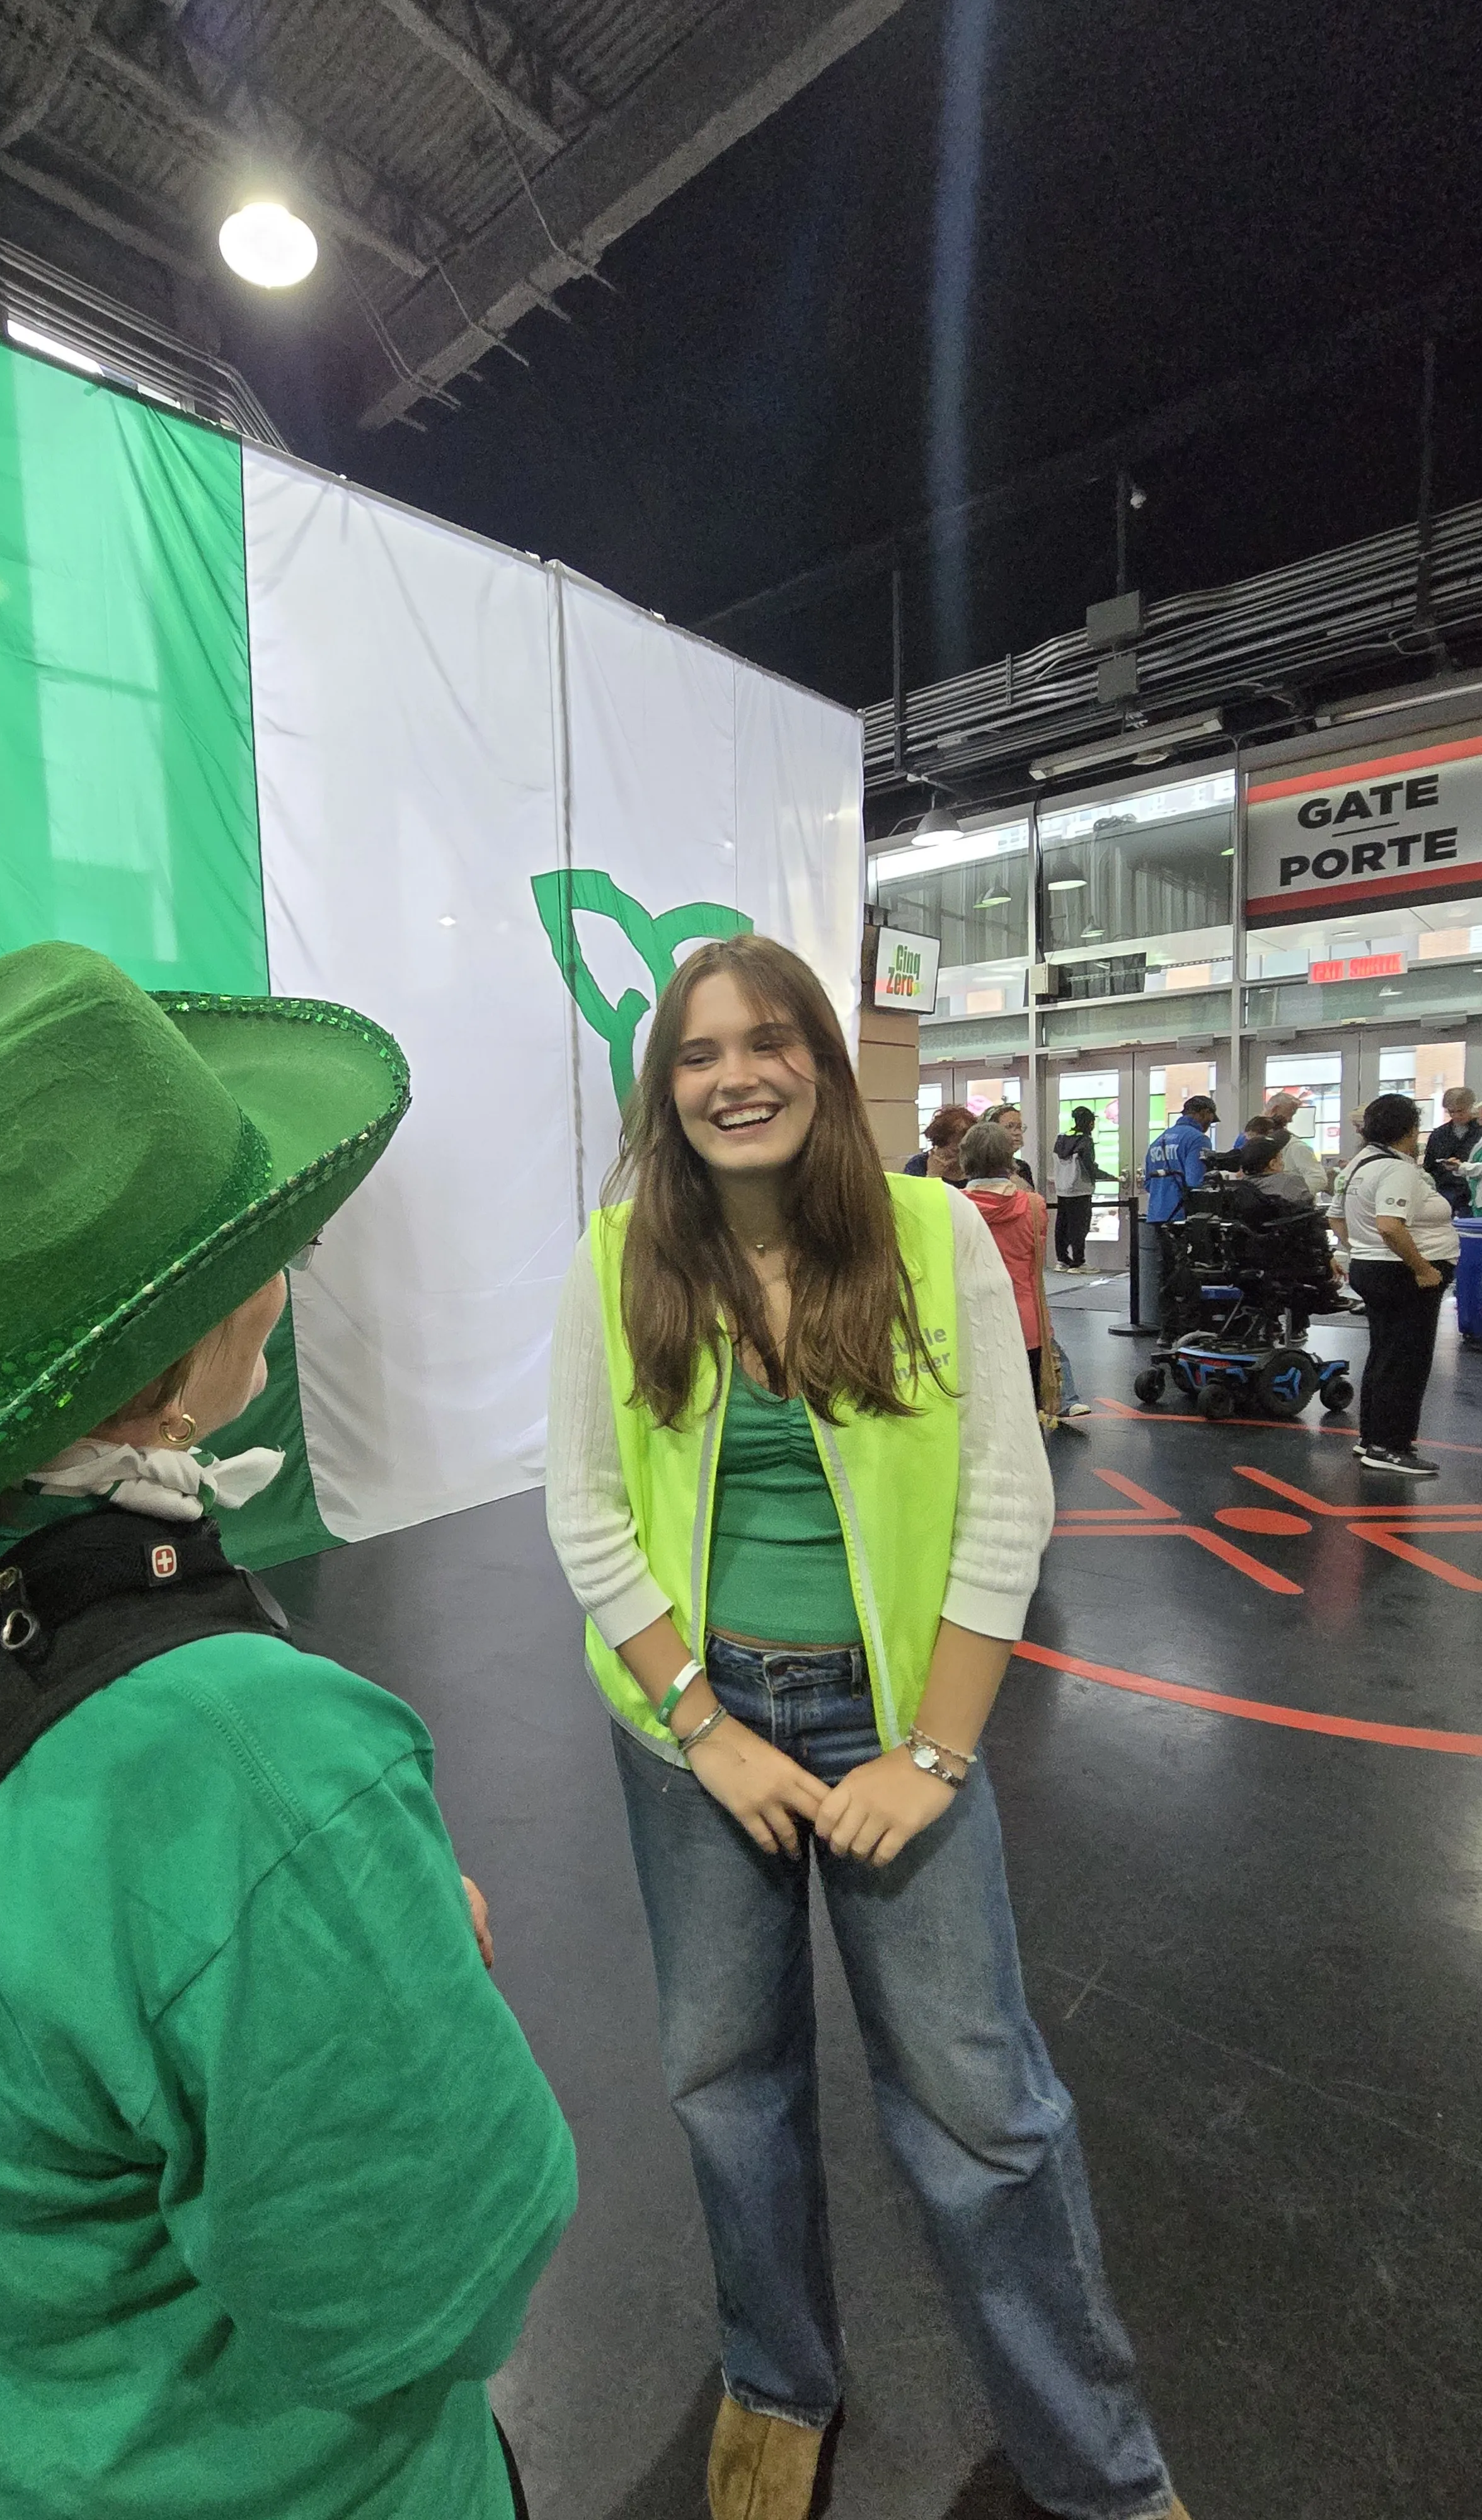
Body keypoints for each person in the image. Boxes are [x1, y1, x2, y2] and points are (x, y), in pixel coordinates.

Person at [0, 941, 577, 2520]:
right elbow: (422, 2297)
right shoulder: (255, 1766)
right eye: (255, 1240)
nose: (283, 1267)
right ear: (166, 1373)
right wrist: (356, 1939)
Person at [545, 934, 1190, 2520]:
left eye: (766, 1043)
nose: (731, 1076)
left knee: (980, 2105)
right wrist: (703, 1725)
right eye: (695, 1055)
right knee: (722, 2078)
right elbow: (580, 1509)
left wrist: (933, 1755)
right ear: (664, 1085)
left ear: (823, 1066)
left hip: (895, 1720)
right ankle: (776, 2377)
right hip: (697, 1729)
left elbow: (999, 1497)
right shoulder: (620, 1250)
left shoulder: (931, 1231)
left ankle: (1095, 2467)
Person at [1328, 1090, 1459, 1479]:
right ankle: (1391, 1446)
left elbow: (1337, 1218)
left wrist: (1360, 1251)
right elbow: (1390, 1225)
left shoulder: (1360, 1164)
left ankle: (1373, 1438)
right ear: (1411, 1129)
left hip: (1375, 1269)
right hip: (1403, 1274)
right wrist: (1422, 1269)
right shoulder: (1397, 1169)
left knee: (1386, 1354)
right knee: (1407, 1361)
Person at [962, 1121, 1058, 1412]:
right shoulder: (1034, 1205)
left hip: (968, 1324)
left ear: (965, 1159)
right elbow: (1035, 1263)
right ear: (1010, 1160)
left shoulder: (949, 1205)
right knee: (1026, 1415)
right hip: (1025, 1323)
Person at [1138, 1094, 1217, 1332]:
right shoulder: (1198, 1139)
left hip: (1159, 1214)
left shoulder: (1158, 1141)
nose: (1209, 1125)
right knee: (1192, 1273)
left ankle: (1167, 1330)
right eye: (1210, 1120)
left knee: (1166, 1274)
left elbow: (1149, 1184)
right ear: (1203, 1113)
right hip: (1184, 1216)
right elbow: (1195, 1181)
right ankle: (1190, 1329)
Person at [1050, 1102, 1106, 1269]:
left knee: (1062, 1225)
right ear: (1090, 1123)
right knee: (1080, 1226)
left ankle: (1062, 1260)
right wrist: (1110, 1177)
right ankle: (1078, 1262)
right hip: (1080, 1189)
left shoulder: (1061, 1138)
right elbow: (1089, 1166)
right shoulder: (1085, 1140)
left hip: (1062, 1188)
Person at [1423, 1084, 1480, 1220]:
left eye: (1461, 1111)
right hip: (1445, 1194)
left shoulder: (1480, 1133)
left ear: (1472, 1108)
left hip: (1473, 1194)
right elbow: (1429, 1166)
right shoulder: (1439, 1134)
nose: (1456, 1116)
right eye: (1451, 1112)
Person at [1238, 1134, 1314, 1208]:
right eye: (1281, 1158)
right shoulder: (1290, 1182)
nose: (1283, 1162)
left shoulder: (1239, 1190)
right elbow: (1310, 1211)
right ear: (1273, 1164)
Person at [903, 1101, 971, 1180]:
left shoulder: (977, 1166)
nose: (963, 1156)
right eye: (955, 1151)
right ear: (938, 1146)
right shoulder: (918, 1165)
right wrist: (933, 1175)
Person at [982, 1099, 1036, 1188]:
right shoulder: (982, 1169)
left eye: (1020, 1127)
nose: (1017, 1132)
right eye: (1009, 1127)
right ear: (992, 1132)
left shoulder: (1023, 1167)